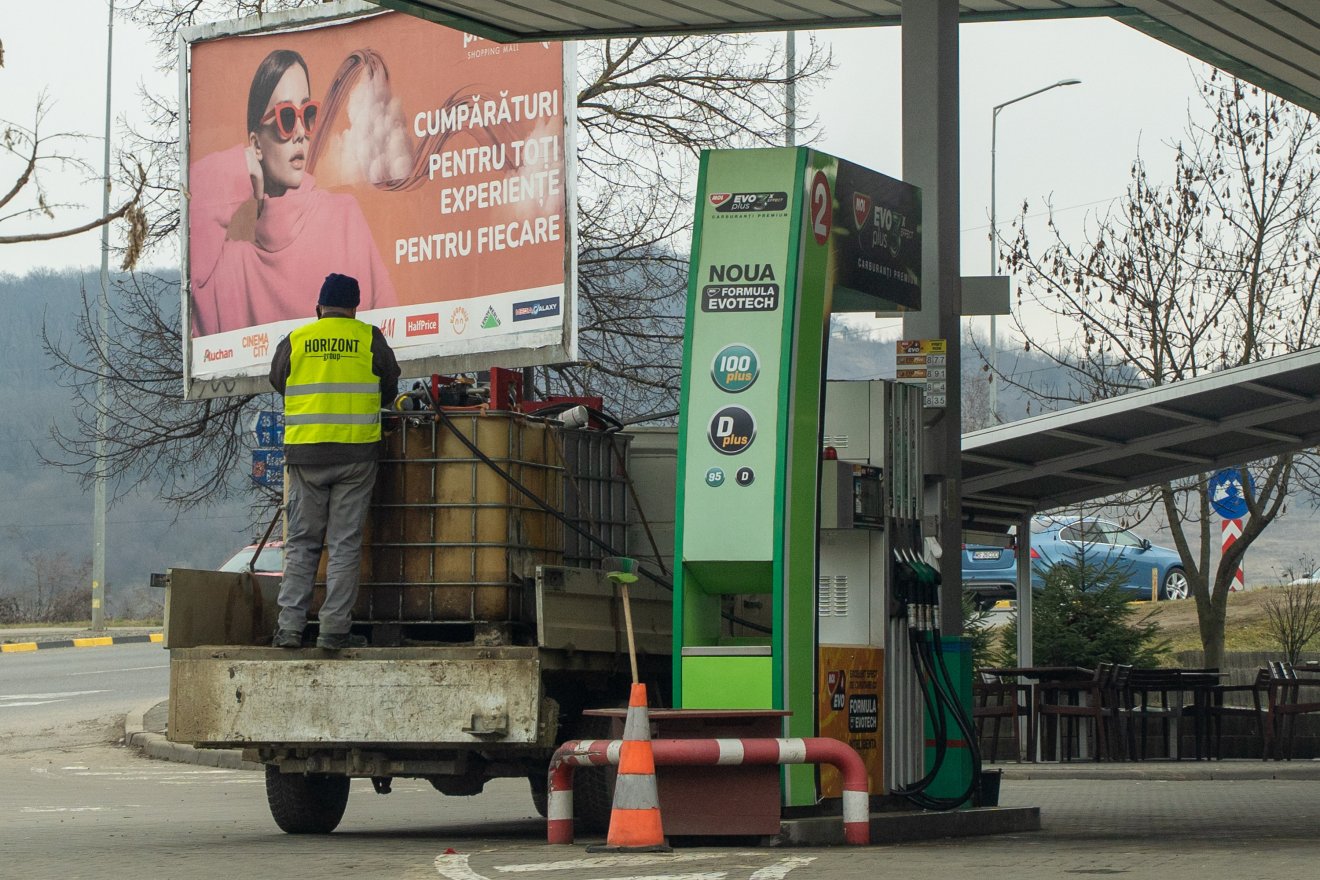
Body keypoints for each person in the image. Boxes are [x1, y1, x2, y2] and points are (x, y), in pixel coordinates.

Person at [190, 49, 396, 337]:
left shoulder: (343, 217)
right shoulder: (231, 265)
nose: (301, 131)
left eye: (308, 114)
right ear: (256, 144)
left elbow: (391, 335)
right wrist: (238, 164)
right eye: (286, 117)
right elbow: (192, 202)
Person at [269, 273, 400, 650]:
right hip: (356, 456)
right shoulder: (369, 338)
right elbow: (389, 387)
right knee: (344, 545)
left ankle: (290, 628)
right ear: (356, 308)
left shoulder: (296, 340)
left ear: (318, 307)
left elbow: (279, 381)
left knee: (301, 544)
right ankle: (333, 631)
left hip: (306, 456)